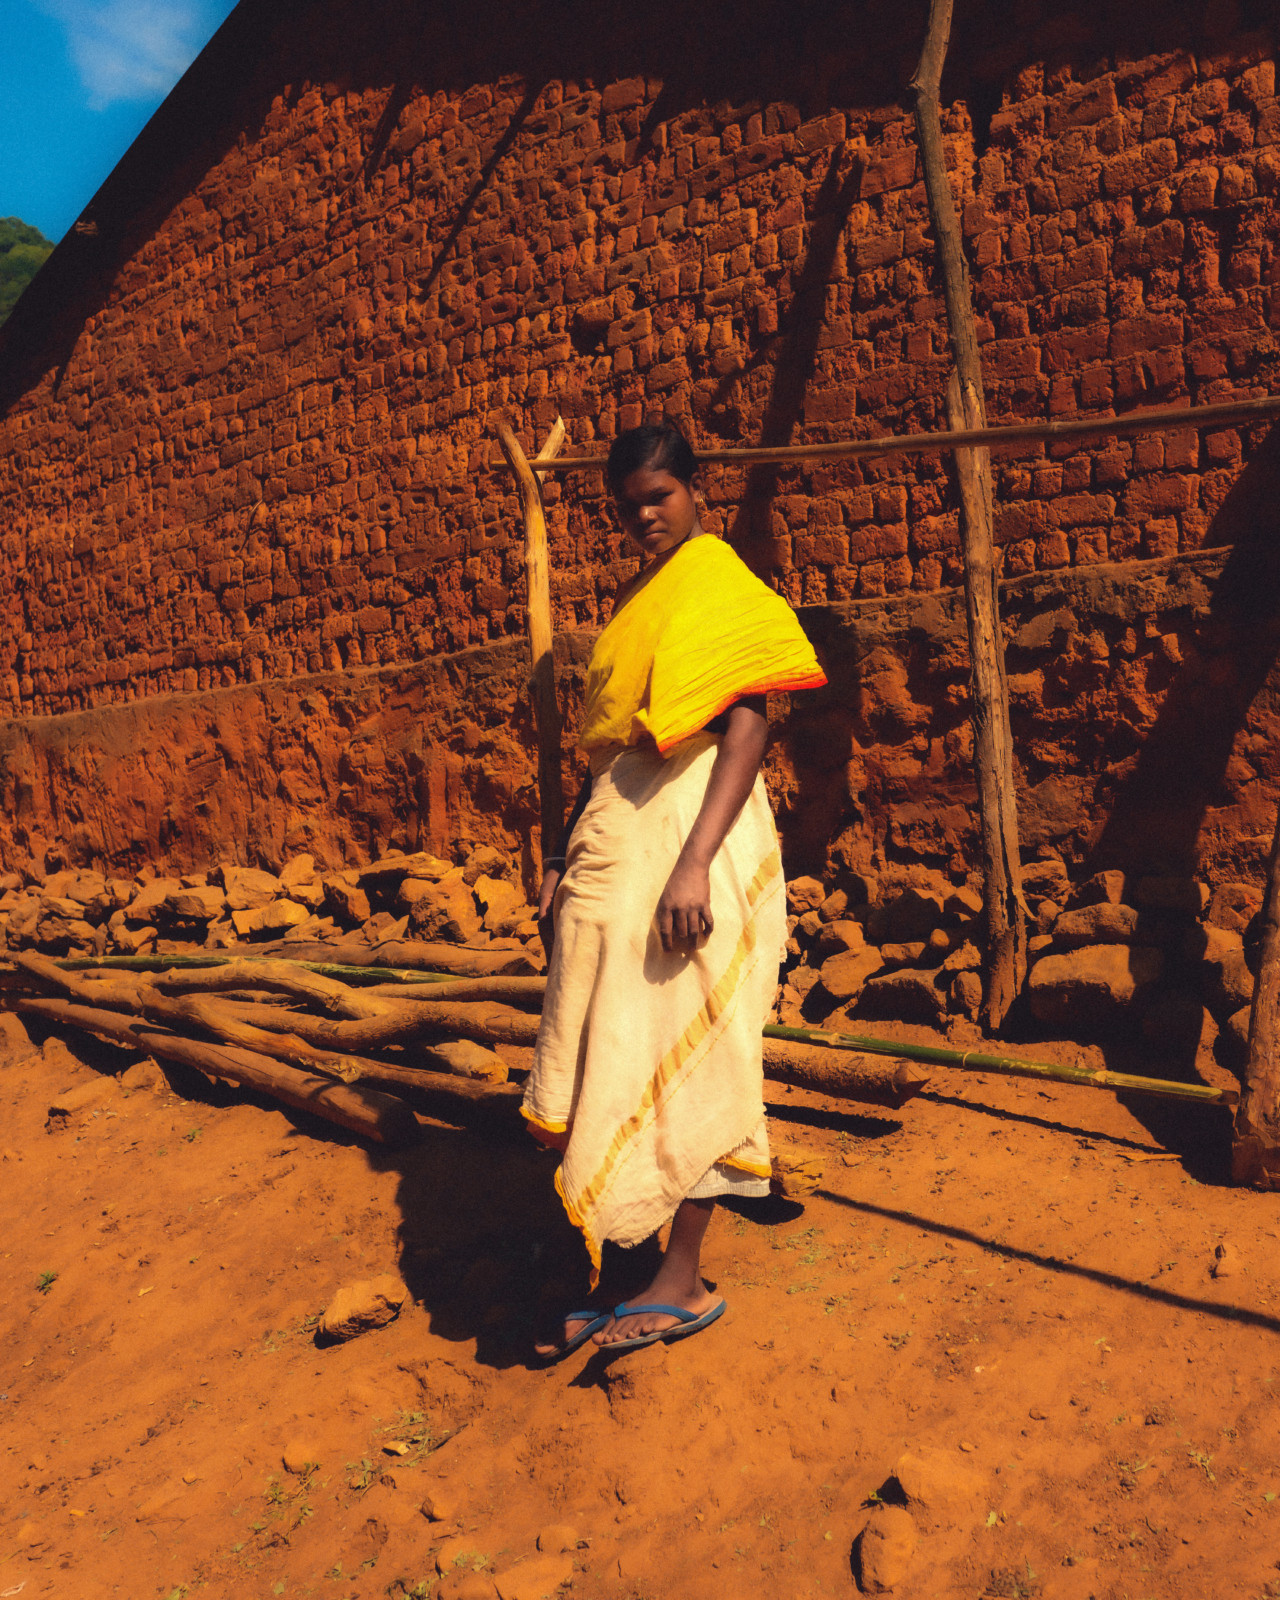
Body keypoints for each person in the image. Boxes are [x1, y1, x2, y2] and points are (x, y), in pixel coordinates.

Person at [523, 421, 827, 1359]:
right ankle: (621, 1264)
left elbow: (748, 726)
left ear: (696, 490)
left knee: (688, 1037)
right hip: (619, 827)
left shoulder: (716, 580)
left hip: (694, 821)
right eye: (628, 506)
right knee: (606, 1033)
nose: (644, 517)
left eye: (659, 496)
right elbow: (607, 742)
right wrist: (568, 850)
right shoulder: (635, 600)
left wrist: (694, 860)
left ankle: (681, 1276)